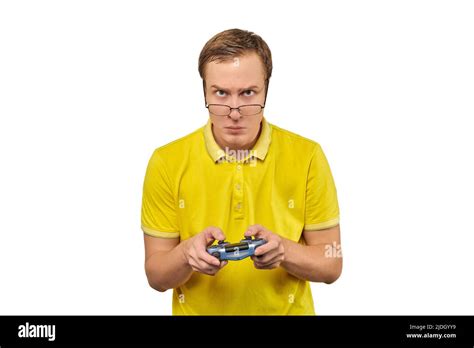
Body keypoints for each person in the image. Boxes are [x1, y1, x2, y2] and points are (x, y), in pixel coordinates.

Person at [141, 28, 342, 315]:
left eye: (248, 92)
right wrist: (186, 255)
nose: (234, 110)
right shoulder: (166, 161)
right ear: (204, 91)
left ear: (266, 90)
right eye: (221, 93)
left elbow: (331, 264)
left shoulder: (308, 155)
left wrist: (283, 250)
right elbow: (156, 276)